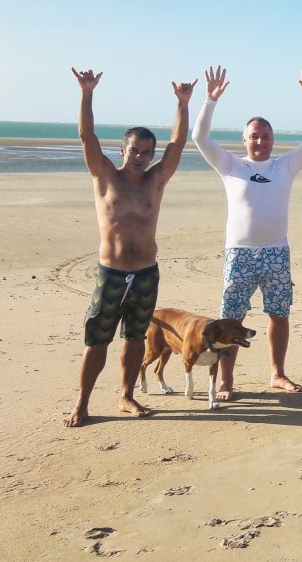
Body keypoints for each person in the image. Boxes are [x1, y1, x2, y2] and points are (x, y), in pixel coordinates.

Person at [63, 67, 194, 427]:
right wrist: (87, 93)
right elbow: (87, 136)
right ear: (123, 150)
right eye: (135, 150)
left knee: (136, 338)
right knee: (97, 341)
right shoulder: (105, 176)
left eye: (146, 152)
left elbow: (178, 144)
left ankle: (127, 396)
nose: (140, 157)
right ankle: (82, 403)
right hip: (112, 274)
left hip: (146, 274)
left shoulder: (156, 180)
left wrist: (183, 104)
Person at [192, 64, 302, 401]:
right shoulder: (231, 166)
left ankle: (277, 374)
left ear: (273, 140)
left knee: (279, 314)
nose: (260, 141)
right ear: (244, 140)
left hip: (276, 252)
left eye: (265, 136)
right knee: (230, 320)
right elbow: (200, 138)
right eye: (254, 136)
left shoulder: (285, 166)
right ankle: (227, 381)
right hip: (240, 254)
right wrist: (210, 100)